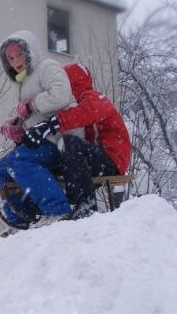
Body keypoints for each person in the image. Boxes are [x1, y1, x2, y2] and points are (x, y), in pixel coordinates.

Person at [22, 63, 132, 218]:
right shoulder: (71, 105)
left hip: (112, 157)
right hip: (94, 159)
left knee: (68, 144)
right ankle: (40, 211)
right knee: (55, 155)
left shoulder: (94, 98)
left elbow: (84, 113)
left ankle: (84, 204)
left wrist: (51, 124)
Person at [0, 30, 77, 227]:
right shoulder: (22, 81)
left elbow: (61, 94)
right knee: (2, 169)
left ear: (29, 51)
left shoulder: (47, 67)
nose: (16, 61)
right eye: (11, 58)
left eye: (19, 55)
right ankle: (23, 218)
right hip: (41, 141)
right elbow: (34, 116)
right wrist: (17, 126)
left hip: (59, 138)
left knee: (19, 161)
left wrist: (31, 105)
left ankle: (57, 210)